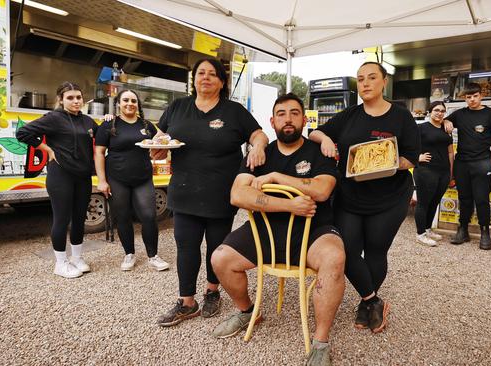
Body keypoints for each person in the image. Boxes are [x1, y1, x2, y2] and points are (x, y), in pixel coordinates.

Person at [210, 93, 344, 366]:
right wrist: (288, 205)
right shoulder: (260, 154)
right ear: (272, 121)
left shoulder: (321, 151)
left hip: (313, 232)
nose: (288, 119)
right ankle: (248, 312)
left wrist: (275, 178)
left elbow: (321, 189)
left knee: (335, 258)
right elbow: (238, 195)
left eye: (295, 113)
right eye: (281, 114)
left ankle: (320, 342)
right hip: (265, 234)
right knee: (219, 258)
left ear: (304, 119)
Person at [154, 58, 268, 326]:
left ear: (221, 81)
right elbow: (160, 137)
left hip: (220, 193)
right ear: (194, 79)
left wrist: (259, 147)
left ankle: (212, 291)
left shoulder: (234, 111)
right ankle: (186, 301)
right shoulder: (178, 107)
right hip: (183, 190)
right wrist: (157, 146)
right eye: (200, 73)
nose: (205, 78)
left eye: (212, 74)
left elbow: (259, 134)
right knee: (185, 245)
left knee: (217, 246)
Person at [309, 61, 420, 333]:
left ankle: (364, 302)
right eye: (360, 79)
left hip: (390, 197)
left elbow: (410, 157)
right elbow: (315, 131)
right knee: (346, 250)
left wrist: (386, 163)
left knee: (375, 250)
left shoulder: (401, 117)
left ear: (384, 82)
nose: (366, 83)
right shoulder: (349, 115)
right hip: (350, 195)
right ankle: (374, 299)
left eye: (372, 78)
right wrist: (324, 139)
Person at [16, 82, 98, 279]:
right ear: (61, 100)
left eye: (78, 97)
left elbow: (102, 137)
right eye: (70, 98)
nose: (76, 101)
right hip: (60, 175)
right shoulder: (53, 118)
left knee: (79, 218)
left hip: (83, 176)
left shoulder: (87, 121)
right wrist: (47, 149)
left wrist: (111, 120)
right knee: (62, 219)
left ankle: (77, 258)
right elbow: (23, 133)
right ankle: (61, 263)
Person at [94, 89, 170, 271]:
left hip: (143, 178)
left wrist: (165, 142)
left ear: (138, 105)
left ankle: (153, 256)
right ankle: (129, 254)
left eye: (133, 101)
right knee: (123, 217)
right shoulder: (108, 124)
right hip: (117, 178)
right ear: (119, 103)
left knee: (149, 216)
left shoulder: (146, 125)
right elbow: (99, 152)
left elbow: (161, 140)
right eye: (126, 100)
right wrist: (102, 180)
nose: (130, 104)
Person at [443, 82, 491, 249]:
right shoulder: (460, 114)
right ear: (465, 98)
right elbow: (445, 119)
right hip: (462, 163)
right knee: (464, 198)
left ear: (481, 96)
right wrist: (446, 121)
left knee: (482, 199)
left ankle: (484, 232)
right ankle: (463, 229)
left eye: (475, 96)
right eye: (468, 97)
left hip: (482, 163)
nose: (471, 100)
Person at [414, 101, 454, 246]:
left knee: (434, 202)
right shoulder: (421, 128)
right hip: (426, 170)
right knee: (423, 203)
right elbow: (405, 145)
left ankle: (427, 228)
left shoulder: (446, 129)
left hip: (443, 171)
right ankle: (420, 234)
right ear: (430, 112)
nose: (439, 113)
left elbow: (450, 151)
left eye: (443, 111)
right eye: (436, 110)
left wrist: (451, 172)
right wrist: (416, 157)